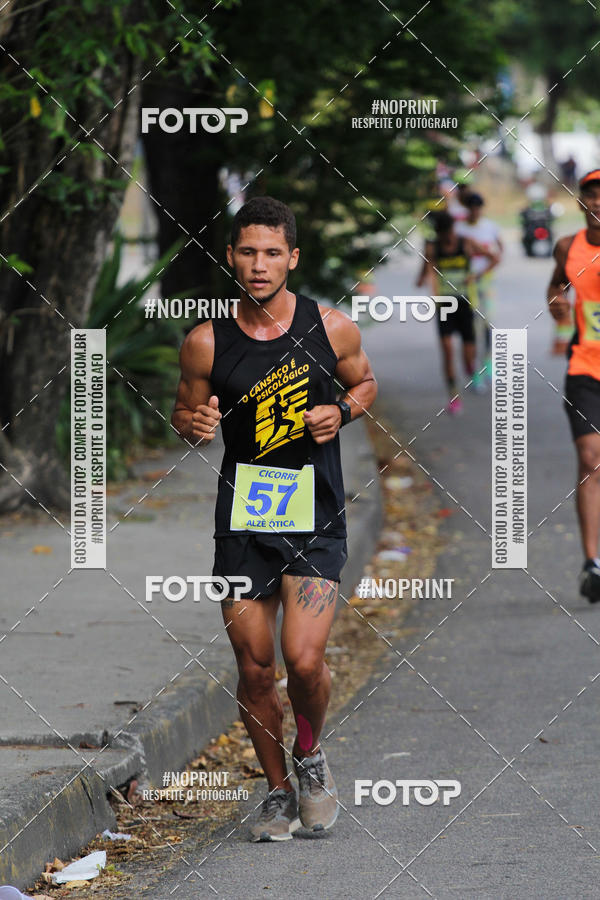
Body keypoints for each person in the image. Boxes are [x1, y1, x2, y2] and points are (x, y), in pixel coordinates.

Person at [171, 196, 377, 839]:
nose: (259, 265)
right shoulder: (207, 341)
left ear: (293, 258)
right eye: (247, 252)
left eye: (272, 253)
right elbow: (183, 411)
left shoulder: (331, 328)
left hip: (315, 513)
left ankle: (310, 756)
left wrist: (341, 412)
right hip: (243, 520)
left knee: (304, 661)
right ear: (231, 257)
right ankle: (277, 792)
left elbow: (365, 384)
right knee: (256, 668)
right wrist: (194, 424)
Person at [547, 169, 600, 603]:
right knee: (590, 458)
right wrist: (558, 303)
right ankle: (592, 563)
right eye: (591, 195)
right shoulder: (568, 247)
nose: (599, 202)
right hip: (585, 367)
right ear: (581, 203)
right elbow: (556, 286)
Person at [417, 211, 498, 414]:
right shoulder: (433, 247)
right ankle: (453, 396)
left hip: (465, 304)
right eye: (443, 234)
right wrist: (428, 285)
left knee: (468, 357)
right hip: (445, 305)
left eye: (449, 232)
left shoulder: (466, 243)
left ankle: (471, 369)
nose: (447, 237)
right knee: (447, 350)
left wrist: (476, 276)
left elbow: (493, 257)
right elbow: (428, 271)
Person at [456, 193, 503, 381]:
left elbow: (498, 253)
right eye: (472, 208)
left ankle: (488, 363)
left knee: (487, 324)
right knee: (471, 327)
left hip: (485, 283)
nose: (475, 212)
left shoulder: (490, 227)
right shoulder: (459, 229)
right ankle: (473, 370)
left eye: (478, 208)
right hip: (465, 285)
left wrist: (482, 272)